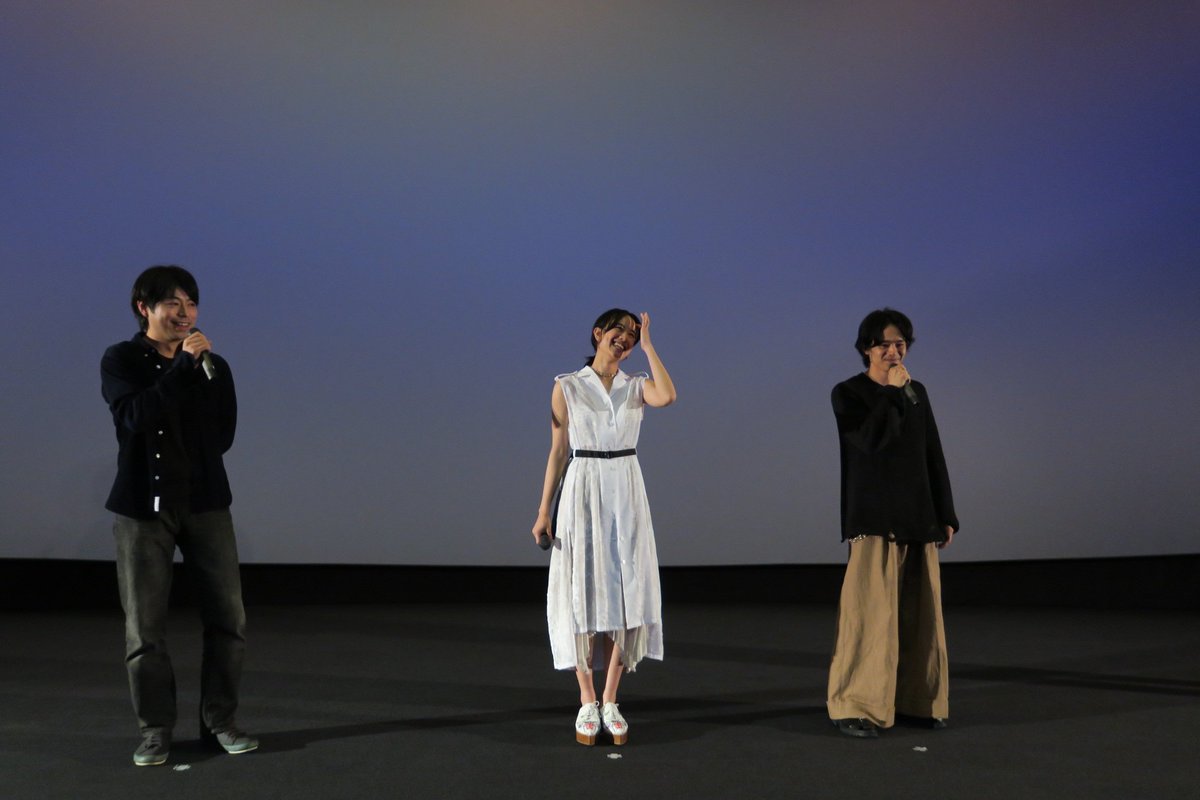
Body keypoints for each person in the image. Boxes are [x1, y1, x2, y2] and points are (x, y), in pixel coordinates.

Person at [101, 265, 258, 766]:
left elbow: (223, 434)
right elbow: (134, 416)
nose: (185, 312)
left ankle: (220, 722)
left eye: (191, 302)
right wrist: (180, 370)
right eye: (172, 302)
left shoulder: (214, 366)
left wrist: (196, 370)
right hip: (143, 509)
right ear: (144, 308)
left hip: (206, 503)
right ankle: (155, 730)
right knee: (145, 629)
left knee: (229, 619)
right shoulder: (121, 359)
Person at [532, 309, 677, 746]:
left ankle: (611, 699)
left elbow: (667, 396)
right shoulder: (567, 386)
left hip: (626, 489)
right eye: (619, 330)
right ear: (598, 333)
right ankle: (587, 699)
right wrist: (544, 510)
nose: (625, 339)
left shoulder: (636, 386)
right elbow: (558, 451)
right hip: (583, 487)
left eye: (632, 335)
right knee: (583, 592)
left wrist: (649, 346)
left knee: (626, 591)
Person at [826, 308, 960, 738]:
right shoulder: (848, 393)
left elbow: (931, 452)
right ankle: (856, 705)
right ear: (866, 348)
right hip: (873, 518)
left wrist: (946, 513)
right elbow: (869, 441)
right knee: (869, 617)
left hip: (917, 516)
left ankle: (917, 701)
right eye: (884, 344)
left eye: (900, 344)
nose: (893, 351)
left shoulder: (916, 392)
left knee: (921, 619)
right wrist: (891, 393)